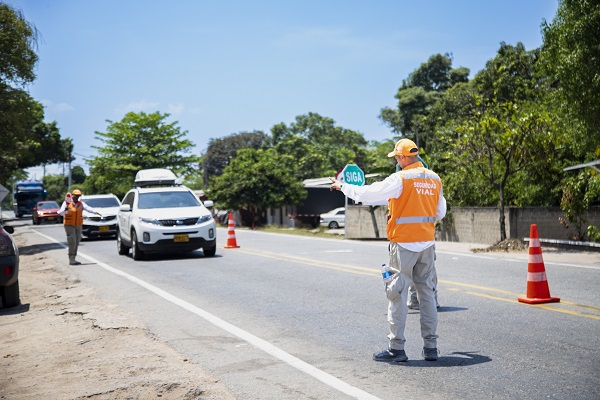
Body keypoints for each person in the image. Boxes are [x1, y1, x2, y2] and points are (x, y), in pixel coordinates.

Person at [330, 138, 446, 362]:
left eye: (397, 158)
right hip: (427, 244)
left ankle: (397, 348)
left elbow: (368, 194)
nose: (397, 162)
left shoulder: (400, 178)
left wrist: (342, 186)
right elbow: (440, 212)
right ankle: (431, 348)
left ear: (402, 157)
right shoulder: (434, 178)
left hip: (403, 244)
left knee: (397, 294)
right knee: (427, 295)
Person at [57, 189, 101, 265]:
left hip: (78, 225)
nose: (77, 197)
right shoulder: (66, 203)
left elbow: (88, 208)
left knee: (77, 242)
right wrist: (66, 209)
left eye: (78, 196)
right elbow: (60, 213)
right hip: (69, 225)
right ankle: (71, 258)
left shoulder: (81, 204)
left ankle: (74, 258)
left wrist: (95, 212)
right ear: (72, 195)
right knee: (72, 241)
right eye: (76, 195)